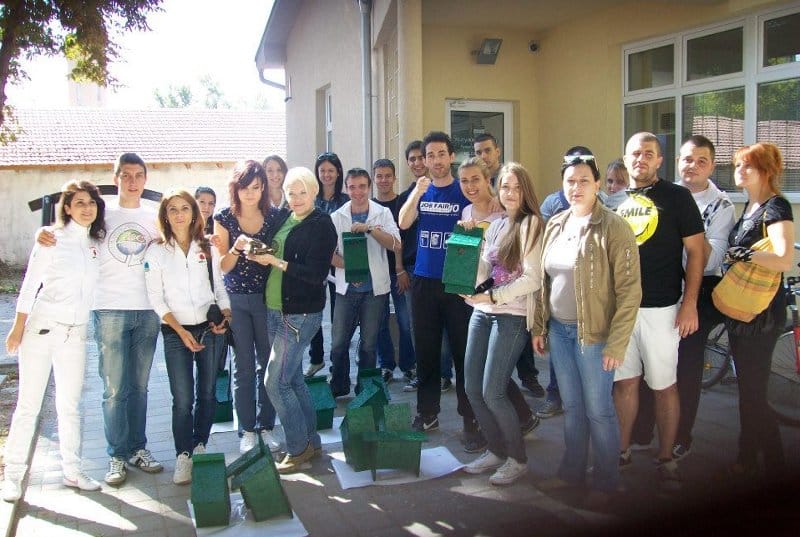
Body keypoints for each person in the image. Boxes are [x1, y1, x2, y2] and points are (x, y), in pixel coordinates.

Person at [36, 153, 166, 485]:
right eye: (126, 175)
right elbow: (66, 232)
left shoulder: (154, 218)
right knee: (114, 388)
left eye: (138, 175)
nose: (132, 181)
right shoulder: (101, 214)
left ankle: (138, 448)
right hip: (109, 308)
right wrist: (44, 234)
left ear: (145, 179)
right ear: (116, 178)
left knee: (139, 386)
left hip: (148, 309)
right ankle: (116, 455)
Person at [533, 150, 641, 505]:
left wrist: (617, 343)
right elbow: (544, 281)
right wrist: (539, 326)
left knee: (599, 410)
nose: (576, 187)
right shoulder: (556, 223)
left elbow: (630, 291)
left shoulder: (614, 227)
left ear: (597, 184)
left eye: (583, 180)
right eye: (570, 181)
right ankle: (572, 473)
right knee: (573, 408)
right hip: (560, 332)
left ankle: (607, 483)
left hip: (594, 336)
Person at [3, 181, 106, 502]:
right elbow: (29, 284)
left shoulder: (95, 243)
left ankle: (72, 470)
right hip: (42, 330)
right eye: (80, 203)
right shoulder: (52, 239)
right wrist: (17, 327)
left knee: (70, 406)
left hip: (75, 335)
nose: (86, 208)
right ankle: (13, 475)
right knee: (28, 406)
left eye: (91, 203)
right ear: (68, 208)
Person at [614, 132, 705, 491]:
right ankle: (621, 451)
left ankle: (666, 458)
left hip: (663, 309)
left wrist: (690, 303)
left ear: (660, 160)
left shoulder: (678, 197)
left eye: (648, 153)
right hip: (621, 311)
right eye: (635, 153)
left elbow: (696, 253)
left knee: (664, 386)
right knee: (624, 383)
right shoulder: (615, 200)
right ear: (625, 158)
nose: (641, 159)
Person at [636, 136, 736, 461]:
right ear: (677, 161)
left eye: (701, 161)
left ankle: (682, 436)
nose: (692, 166)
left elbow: (710, 259)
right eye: (687, 159)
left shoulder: (722, 205)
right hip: (663, 287)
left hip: (700, 291)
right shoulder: (662, 194)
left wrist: (690, 224)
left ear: (712, 166)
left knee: (686, 367)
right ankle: (643, 428)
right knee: (649, 360)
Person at [249, 166, 337, 473]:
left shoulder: (322, 224)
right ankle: (311, 441)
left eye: (303, 192)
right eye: (291, 192)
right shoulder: (286, 217)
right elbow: (273, 248)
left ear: (314, 192)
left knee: (275, 382)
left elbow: (316, 274)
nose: (296, 198)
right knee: (294, 379)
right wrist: (258, 252)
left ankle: (297, 447)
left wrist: (276, 261)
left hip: (300, 314)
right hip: (275, 309)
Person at [461, 162, 544, 485]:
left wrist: (493, 297)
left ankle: (517, 459)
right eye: (505, 187)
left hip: (511, 316)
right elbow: (484, 271)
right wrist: (469, 243)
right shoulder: (496, 225)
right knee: (472, 389)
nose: (510, 193)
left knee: (493, 392)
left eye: (516, 187)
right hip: (482, 311)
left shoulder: (531, 224)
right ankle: (495, 451)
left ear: (526, 191)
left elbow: (532, 278)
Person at [144, 190, 231, 485]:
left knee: (207, 393)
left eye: (185, 208)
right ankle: (183, 454)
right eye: (173, 209)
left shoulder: (207, 247)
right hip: (175, 332)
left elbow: (220, 289)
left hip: (209, 329)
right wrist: (180, 332)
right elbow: (156, 299)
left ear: (194, 213)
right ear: (165, 216)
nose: (179, 214)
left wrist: (225, 318)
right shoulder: (156, 252)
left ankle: (199, 445)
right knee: (182, 398)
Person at [398, 131, 480, 446]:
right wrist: (417, 194)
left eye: (441, 154)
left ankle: (471, 419)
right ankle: (427, 412)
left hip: (457, 281)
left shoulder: (463, 190)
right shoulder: (420, 190)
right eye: (429, 155)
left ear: (451, 157)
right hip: (424, 279)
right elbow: (404, 223)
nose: (435, 160)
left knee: (462, 353)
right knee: (426, 352)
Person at [722, 142, 792, 481]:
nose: (739, 170)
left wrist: (743, 255)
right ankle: (747, 457)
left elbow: (783, 258)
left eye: (747, 165)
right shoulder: (750, 206)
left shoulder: (776, 206)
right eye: (737, 165)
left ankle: (774, 466)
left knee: (753, 391)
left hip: (762, 314)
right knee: (748, 389)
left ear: (766, 171)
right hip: (742, 311)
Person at [214, 160, 280, 454]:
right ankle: (247, 429)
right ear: (235, 189)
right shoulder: (224, 217)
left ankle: (267, 426)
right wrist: (236, 248)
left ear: (263, 187)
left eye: (255, 187)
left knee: (268, 365)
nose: (250, 193)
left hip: (267, 299)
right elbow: (223, 266)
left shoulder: (274, 215)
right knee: (242, 367)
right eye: (244, 188)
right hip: (236, 301)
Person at [328, 168, 400, 397]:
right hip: (346, 289)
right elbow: (328, 255)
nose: (357, 192)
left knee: (369, 345)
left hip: (375, 292)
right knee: (338, 343)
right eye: (352, 187)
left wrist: (370, 229)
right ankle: (339, 385)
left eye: (362, 186)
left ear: (369, 187)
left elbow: (396, 244)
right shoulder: (337, 217)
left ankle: (365, 391)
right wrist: (352, 268)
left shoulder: (382, 213)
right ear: (346, 189)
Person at [371, 159, 416, 384]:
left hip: (400, 272)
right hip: (377, 272)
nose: (384, 180)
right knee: (379, 323)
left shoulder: (402, 203)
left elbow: (404, 239)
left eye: (388, 175)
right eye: (379, 176)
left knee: (406, 322)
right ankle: (386, 365)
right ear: (374, 179)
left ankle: (408, 365)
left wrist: (401, 269)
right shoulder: (370, 207)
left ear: (394, 178)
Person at [306, 152, 349, 378]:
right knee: (313, 312)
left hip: (339, 263)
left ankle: (337, 364)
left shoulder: (345, 200)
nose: (326, 174)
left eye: (330, 170)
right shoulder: (310, 200)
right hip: (315, 264)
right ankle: (316, 358)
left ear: (338, 172)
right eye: (322, 170)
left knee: (338, 317)